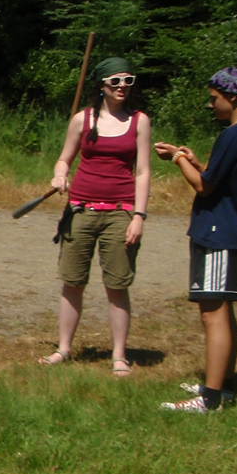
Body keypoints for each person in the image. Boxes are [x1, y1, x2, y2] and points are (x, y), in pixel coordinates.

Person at [155, 68, 237, 413]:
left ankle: (211, 398)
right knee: (222, 309)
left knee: (213, 311)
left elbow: (204, 186)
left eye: (214, 98)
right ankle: (222, 384)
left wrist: (177, 159)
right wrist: (196, 162)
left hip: (219, 232)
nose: (210, 104)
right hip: (227, 229)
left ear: (232, 97)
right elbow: (218, 178)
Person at [40, 56, 152, 375]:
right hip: (81, 210)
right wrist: (59, 175)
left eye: (128, 80)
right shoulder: (82, 119)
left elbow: (143, 171)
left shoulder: (140, 121)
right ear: (102, 85)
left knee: (117, 284)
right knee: (72, 282)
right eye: (115, 81)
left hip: (120, 212)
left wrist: (139, 216)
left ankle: (119, 355)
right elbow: (64, 159)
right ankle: (63, 349)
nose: (122, 86)